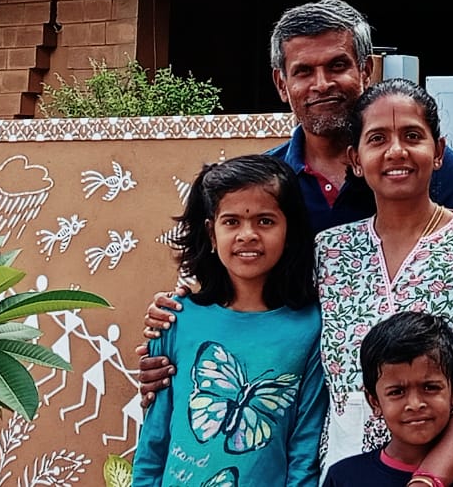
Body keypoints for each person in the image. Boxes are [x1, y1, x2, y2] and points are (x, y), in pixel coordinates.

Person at [139, 0, 453, 398]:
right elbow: (218, 288)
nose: (321, 84)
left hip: (411, 407)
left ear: (365, 71)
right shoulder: (262, 188)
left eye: (337, 66)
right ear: (281, 84)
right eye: (303, 72)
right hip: (287, 400)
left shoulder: (424, 169)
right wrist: (171, 334)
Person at [314, 80, 453, 486]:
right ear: (355, 158)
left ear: (438, 152)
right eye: (377, 138)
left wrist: (429, 479)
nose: (396, 151)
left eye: (412, 136)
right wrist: (172, 321)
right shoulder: (330, 250)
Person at [132, 155, 328, 487]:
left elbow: (303, 450)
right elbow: (153, 440)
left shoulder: (310, 327)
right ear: (211, 233)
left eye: (265, 221)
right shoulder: (176, 319)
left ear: (289, 230)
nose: (247, 235)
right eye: (231, 222)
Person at [322, 311, 453, 487]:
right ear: (374, 401)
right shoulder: (344, 478)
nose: (415, 404)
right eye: (397, 392)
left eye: (430, 388)